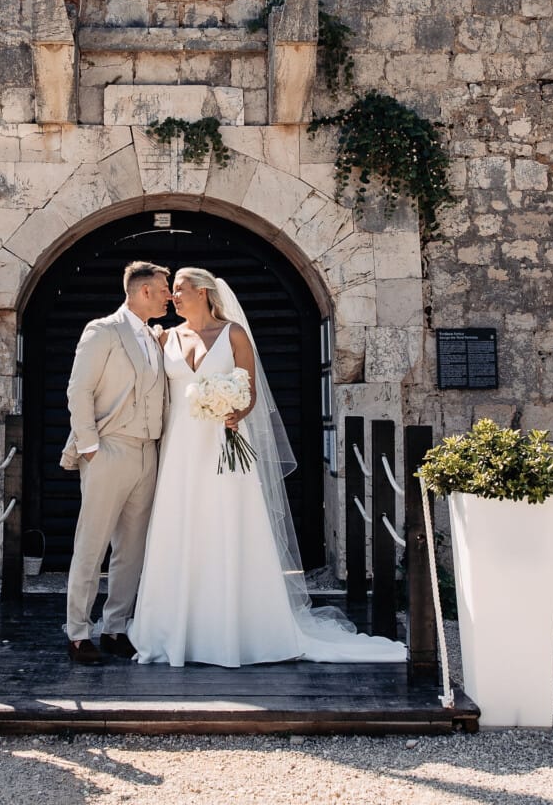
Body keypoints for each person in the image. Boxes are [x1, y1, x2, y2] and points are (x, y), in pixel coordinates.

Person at [128, 267, 406, 667]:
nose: (173, 297)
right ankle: (172, 626)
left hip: (224, 447)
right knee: (180, 527)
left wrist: (234, 411)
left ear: (204, 292)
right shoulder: (165, 337)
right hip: (180, 451)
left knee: (227, 528)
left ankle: (234, 627)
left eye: (180, 290)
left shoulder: (234, 335)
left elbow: (250, 393)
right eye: (172, 291)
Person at [59, 260, 171, 664]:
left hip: (148, 452)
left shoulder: (156, 337)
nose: (169, 295)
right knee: (92, 544)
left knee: (132, 548)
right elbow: (79, 389)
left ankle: (115, 627)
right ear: (143, 291)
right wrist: (90, 447)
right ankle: (77, 633)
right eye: (164, 289)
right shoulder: (103, 331)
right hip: (110, 449)